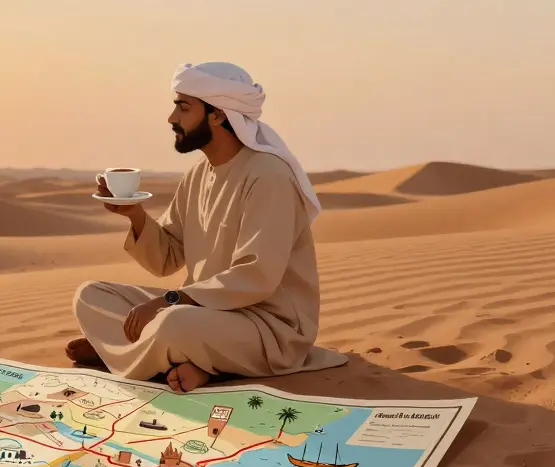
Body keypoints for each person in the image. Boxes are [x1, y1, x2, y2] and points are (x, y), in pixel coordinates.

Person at [67, 62, 347, 392]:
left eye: (183, 108)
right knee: (91, 295)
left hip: (266, 327)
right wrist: (135, 215)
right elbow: (167, 259)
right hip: (204, 311)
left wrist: (170, 300)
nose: (172, 118)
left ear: (217, 115)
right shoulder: (199, 174)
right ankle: (160, 356)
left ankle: (127, 353)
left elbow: (256, 277)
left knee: (174, 324)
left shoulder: (268, 175)